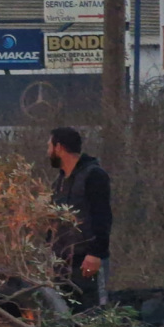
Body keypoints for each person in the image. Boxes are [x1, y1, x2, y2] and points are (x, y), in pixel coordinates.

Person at [48, 127, 112, 314]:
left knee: (94, 313)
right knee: (67, 315)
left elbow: (102, 217)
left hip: (87, 261)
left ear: (58, 147)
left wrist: (95, 254)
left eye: (49, 146)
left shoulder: (93, 175)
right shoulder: (59, 182)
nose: (48, 152)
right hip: (63, 262)